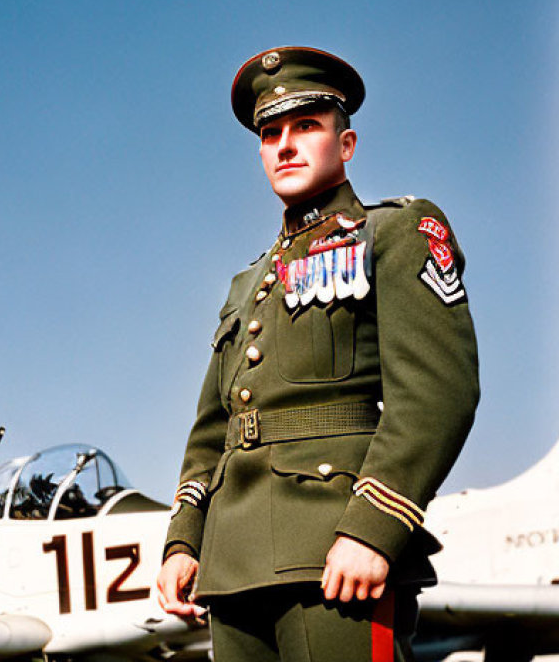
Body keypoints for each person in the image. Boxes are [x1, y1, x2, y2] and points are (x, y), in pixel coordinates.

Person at [156, 47, 479, 661]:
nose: (285, 145)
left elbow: (438, 394)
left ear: (346, 143)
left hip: (333, 553)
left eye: (306, 126)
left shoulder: (396, 233)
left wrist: (373, 529)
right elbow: (212, 431)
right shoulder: (246, 285)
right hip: (231, 569)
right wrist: (184, 541)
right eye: (270, 133)